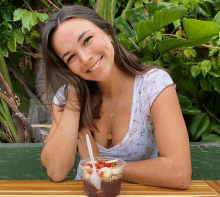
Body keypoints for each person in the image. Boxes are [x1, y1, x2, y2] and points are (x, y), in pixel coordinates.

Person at [40, 5, 191, 189]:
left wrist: (101, 165)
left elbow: (179, 173)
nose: (85, 58)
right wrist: (74, 101)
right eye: (71, 58)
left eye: (87, 40)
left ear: (107, 32)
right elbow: (56, 171)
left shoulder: (153, 86)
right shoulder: (67, 99)